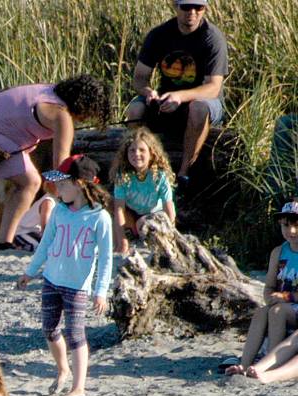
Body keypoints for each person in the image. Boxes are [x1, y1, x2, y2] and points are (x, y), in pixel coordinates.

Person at [0, 74, 111, 249]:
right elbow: (62, 167)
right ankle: (5, 240)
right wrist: (65, 193)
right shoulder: (61, 116)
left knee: (30, 181)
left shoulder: (49, 91)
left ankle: (4, 241)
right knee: (31, 182)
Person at [17, 155, 113, 396]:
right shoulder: (59, 211)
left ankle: (78, 387)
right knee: (49, 328)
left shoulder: (100, 217)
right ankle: (63, 369)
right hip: (51, 279)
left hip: (78, 286)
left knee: (75, 334)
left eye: (62, 184)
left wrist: (100, 291)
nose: (56, 190)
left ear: (79, 184)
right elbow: (45, 244)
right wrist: (30, 272)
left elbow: (106, 258)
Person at [126, 0, 228, 187]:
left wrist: (180, 96)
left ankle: (183, 174)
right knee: (134, 110)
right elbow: (139, 78)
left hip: (204, 101)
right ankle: (142, 170)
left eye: (199, 8)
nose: (192, 12)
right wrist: (149, 93)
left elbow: (213, 87)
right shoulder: (159, 34)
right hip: (166, 98)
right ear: (175, 6)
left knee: (198, 108)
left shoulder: (212, 38)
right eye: (186, 7)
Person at [225, 201, 298, 376]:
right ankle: (245, 363)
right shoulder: (279, 252)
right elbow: (269, 287)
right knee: (261, 312)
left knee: (277, 311)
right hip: (283, 304)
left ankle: (269, 362)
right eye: (286, 226)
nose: (291, 231)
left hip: (290, 304)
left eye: (296, 225)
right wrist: (270, 298)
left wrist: (285, 297)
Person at [109, 126, 176, 254]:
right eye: (132, 150)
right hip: (131, 214)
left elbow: (169, 206)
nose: (136, 154)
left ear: (151, 153)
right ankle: (118, 248)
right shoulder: (123, 176)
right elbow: (119, 208)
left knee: (143, 224)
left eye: (142, 150)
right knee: (113, 223)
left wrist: (172, 233)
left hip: (153, 215)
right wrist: (121, 239)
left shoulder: (159, 175)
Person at [11, 182, 57, 252]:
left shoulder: (55, 200)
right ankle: (18, 245)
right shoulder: (48, 201)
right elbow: (45, 224)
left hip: (34, 232)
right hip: (23, 232)